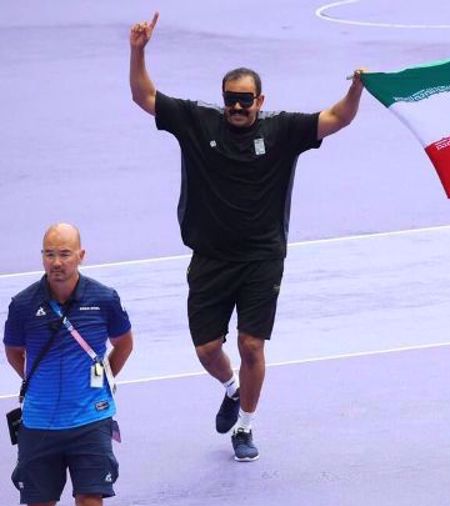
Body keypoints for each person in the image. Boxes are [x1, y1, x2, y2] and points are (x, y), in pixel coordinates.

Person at [128, 12, 365, 461]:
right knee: (206, 348)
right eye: (231, 101)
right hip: (211, 256)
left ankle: (245, 426)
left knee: (251, 344)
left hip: (262, 256)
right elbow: (144, 95)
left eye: (246, 101)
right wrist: (138, 49)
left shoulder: (283, 130)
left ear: (261, 99)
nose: (238, 108)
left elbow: (337, 118)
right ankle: (231, 388)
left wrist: (355, 88)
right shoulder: (198, 122)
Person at [5, 224, 134, 506]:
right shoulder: (22, 305)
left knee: (90, 504)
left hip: (91, 416)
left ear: (81, 255)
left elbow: (124, 343)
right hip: (39, 422)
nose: (57, 262)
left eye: (64, 254)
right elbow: (14, 351)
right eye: (50, 254)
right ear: (42, 257)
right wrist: (38, 383)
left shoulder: (104, 299)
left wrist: (101, 378)